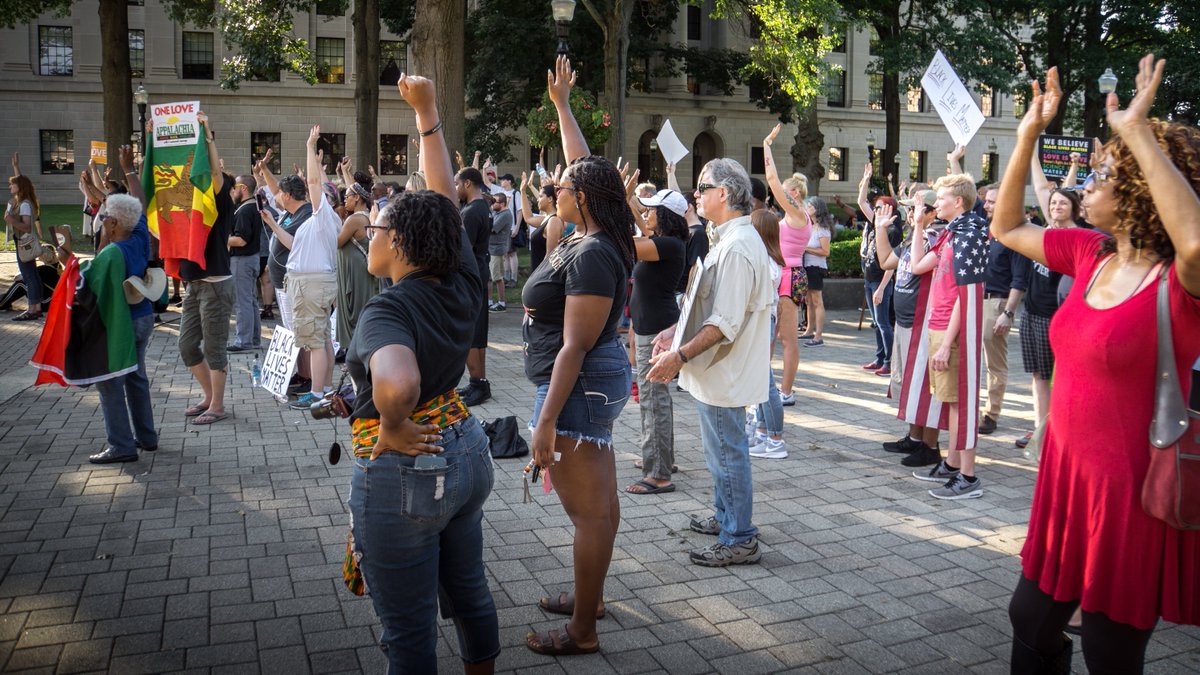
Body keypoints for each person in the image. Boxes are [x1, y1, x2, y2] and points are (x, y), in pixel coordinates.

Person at [994, 56, 1200, 674]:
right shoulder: (1091, 254)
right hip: (1066, 474)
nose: (1084, 186)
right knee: (1030, 619)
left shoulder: (1180, 283)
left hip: (1130, 491)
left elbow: (1194, 241)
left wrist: (1136, 130)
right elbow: (1006, 226)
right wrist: (1026, 131)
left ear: (1137, 189)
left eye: (1102, 176)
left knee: (1111, 651)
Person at [346, 73, 499, 673]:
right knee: (470, 595)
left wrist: (390, 424)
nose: (369, 230)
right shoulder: (460, 277)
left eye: (376, 226)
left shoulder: (387, 308)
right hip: (464, 448)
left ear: (403, 243)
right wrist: (428, 112)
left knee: (407, 629)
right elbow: (441, 194)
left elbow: (399, 383)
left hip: (410, 466)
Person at [523, 56, 635, 656]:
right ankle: (587, 598)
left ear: (583, 198)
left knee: (590, 514)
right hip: (591, 382)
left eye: (560, 186)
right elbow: (585, 168)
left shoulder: (592, 251)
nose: (552, 188)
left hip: (581, 382)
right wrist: (563, 105)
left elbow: (575, 344)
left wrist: (544, 422)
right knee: (602, 506)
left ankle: (583, 630)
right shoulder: (591, 232)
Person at [646, 156, 774, 567]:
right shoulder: (730, 238)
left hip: (726, 370)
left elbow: (723, 323)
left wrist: (677, 356)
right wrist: (674, 333)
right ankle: (726, 517)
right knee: (721, 451)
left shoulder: (736, 246)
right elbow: (707, 306)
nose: (695, 194)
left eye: (702, 187)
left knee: (727, 452)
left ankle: (739, 536)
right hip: (720, 369)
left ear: (724, 193)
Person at [908, 172, 989, 499]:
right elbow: (916, 266)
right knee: (951, 402)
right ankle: (954, 465)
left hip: (950, 330)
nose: (935, 203)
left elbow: (965, 296)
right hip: (939, 327)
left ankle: (967, 476)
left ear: (958, 202)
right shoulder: (951, 235)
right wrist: (916, 226)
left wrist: (947, 343)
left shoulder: (969, 237)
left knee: (959, 402)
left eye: (940, 198)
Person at [875, 191, 948, 468]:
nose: (910, 213)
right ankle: (914, 437)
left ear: (932, 213)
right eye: (908, 209)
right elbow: (885, 262)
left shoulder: (934, 238)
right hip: (904, 322)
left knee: (925, 387)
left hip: (922, 325)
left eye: (917, 209)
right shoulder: (910, 238)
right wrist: (880, 229)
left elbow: (922, 268)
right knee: (908, 383)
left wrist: (919, 227)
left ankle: (930, 445)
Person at [623, 188, 688, 494]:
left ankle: (659, 474)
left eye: (651, 210)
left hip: (658, 333)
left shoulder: (667, 245)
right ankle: (663, 459)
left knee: (653, 402)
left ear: (665, 216)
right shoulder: (665, 243)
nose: (646, 215)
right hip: (650, 328)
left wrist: (615, 209)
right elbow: (642, 230)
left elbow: (628, 243)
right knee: (655, 401)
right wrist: (627, 205)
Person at [87, 194, 159, 463]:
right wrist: (129, 170)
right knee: (136, 375)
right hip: (143, 319)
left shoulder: (111, 253)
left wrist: (65, 254)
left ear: (115, 222)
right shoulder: (139, 239)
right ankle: (147, 437)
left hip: (122, 325)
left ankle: (121, 445)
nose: (103, 220)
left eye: (105, 217)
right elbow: (138, 209)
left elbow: (87, 281)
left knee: (110, 382)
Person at [178, 112, 236, 426]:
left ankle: (217, 405)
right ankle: (208, 396)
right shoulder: (189, 199)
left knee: (214, 348)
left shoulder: (219, 196)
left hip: (215, 283)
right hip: (195, 283)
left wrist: (208, 138)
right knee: (186, 345)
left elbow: (214, 170)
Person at [281, 126, 342, 410]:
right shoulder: (328, 220)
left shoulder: (323, 216)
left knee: (316, 342)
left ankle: (317, 395)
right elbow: (320, 183)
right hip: (316, 282)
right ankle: (326, 389)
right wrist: (316, 162)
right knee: (323, 341)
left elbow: (316, 184)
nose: (312, 193)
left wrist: (309, 146)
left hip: (311, 284)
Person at [1016, 187, 1080, 449]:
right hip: (1030, 312)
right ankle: (1040, 428)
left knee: (1056, 377)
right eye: (1053, 202)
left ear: (1074, 207)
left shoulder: (1077, 238)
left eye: (1062, 203)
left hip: (1053, 317)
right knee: (1037, 376)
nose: (1056, 207)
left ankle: (1058, 431)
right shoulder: (1044, 234)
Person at [762, 124, 814, 405]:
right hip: (784, 274)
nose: (780, 192)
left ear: (794, 192)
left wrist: (767, 146)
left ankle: (786, 392)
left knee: (786, 338)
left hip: (789, 275)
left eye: (784, 190)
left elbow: (771, 178)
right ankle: (768, 388)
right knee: (775, 336)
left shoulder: (797, 213)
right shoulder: (796, 215)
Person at [978, 183, 1029, 435]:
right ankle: (971, 411)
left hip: (997, 302)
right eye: (986, 201)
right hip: (976, 299)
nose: (986, 205)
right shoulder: (987, 229)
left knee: (994, 364)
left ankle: (991, 414)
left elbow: (1020, 280)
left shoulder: (1014, 235)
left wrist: (1008, 313)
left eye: (992, 202)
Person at [746, 208, 787, 459]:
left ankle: (775, 438)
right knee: (760, 381)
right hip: (761, 323)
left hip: (762, 323)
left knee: (767, 383)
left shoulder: (768, 262)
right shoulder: (765, 258)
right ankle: (763, 432)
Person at [857, 165, 904, 376]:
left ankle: (889, 361)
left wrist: (882, 288)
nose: (875, 211)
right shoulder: (876, 224)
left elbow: (890, 264)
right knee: (876, 322)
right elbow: (860, 202)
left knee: (884, 323)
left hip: (880, 282)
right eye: (875, 208)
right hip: (869, 279)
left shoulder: (892, 231)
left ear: (890, 211)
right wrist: (865, 180)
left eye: (879, 208)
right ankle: (879, 357)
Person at [455, 166, 493, 406]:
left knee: (470, 332)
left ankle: (478, 383)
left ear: (468, 183)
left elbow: (463, 249)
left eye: (457, 184)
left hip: (471, 274)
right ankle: (478, 382)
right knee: (478, 332)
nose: (456, 188)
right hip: (480, 271)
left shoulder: (470, 212)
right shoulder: (484, 207)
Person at [333, 167, 377, 350]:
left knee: (355, 311)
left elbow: (337, 242)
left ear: (357, 198)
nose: (344, 199)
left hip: (355, 272)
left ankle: (356, 350)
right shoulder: (366, 215)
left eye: (348, 196)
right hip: (359, 269)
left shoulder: (355, 219)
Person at [227, 175, 264, 352]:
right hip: (251, 259)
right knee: (250, 301)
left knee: (242, 302)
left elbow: (241, 240)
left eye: (235, 187)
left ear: (244, 188)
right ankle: (254, 339)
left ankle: (244, 341)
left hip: (242, 259)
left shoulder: (244, 211)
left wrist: (222, 239)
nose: (233, 190)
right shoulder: (250, 207)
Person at [6, 174, 44, 321]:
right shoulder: (21, 202)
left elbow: (27, 227)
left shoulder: (25, 204)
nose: (10, 186)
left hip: (25, 244)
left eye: (12, 184)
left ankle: (33, 309)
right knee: (31, 274)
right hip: (22, 242)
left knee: (29, 276)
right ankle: (37, 307)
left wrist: (11, 220)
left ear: (19, 187)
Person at [801, 196, 832, 346]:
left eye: (810, 206)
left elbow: (826, 251)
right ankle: (809, 331)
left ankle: (818, 336)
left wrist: (805, 248)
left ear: (817, 209)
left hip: (816, 267)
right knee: (808, 301)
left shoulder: (822, 228)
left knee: (817, 301)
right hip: (807, 266)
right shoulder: (811, 226)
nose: (807, 208)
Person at [521, 176, 565, 271]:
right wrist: (523, 192)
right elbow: (528, 218)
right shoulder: (547, 219)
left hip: (543, 275)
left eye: (541, 196)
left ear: (550, 199)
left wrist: (539, 277)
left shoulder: (554, 221)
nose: (537, 199)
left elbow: (550, 255)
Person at [487, 192, 512, 311]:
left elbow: (492, 228)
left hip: (497, 250)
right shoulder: (496, 212)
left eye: (495, 202)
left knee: (497, 277)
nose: (492, 203)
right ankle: (489, 301)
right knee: (489, 277)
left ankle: (502, 303)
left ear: (502, 204)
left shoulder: (505, 215)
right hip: (490, 248)